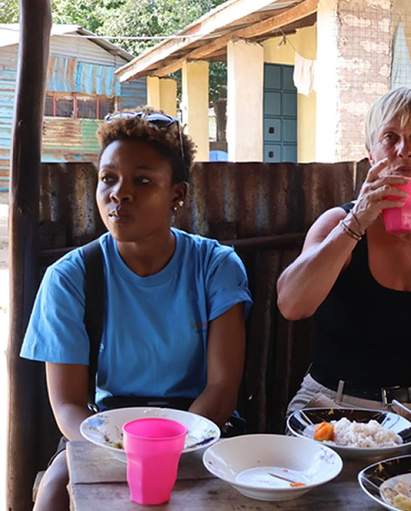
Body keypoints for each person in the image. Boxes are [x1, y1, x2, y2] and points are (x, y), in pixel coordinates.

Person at [21, 107, 252, 511]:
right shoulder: (71, 278)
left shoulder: (215, 267)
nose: (119, 193)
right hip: (107, 429)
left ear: (177, 194)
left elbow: (221, 388)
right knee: (55, 490)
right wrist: (121, 448)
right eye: (108, 178)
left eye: (142, 181)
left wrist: (171, 448)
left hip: (201, 426)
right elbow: (69, 405)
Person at [277, 87, 411, 415]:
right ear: (371, 153)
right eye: (390, 137)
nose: (405, 150)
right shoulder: (338, 223)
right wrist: (357, 221)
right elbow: (291, 305)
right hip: (330, 402)